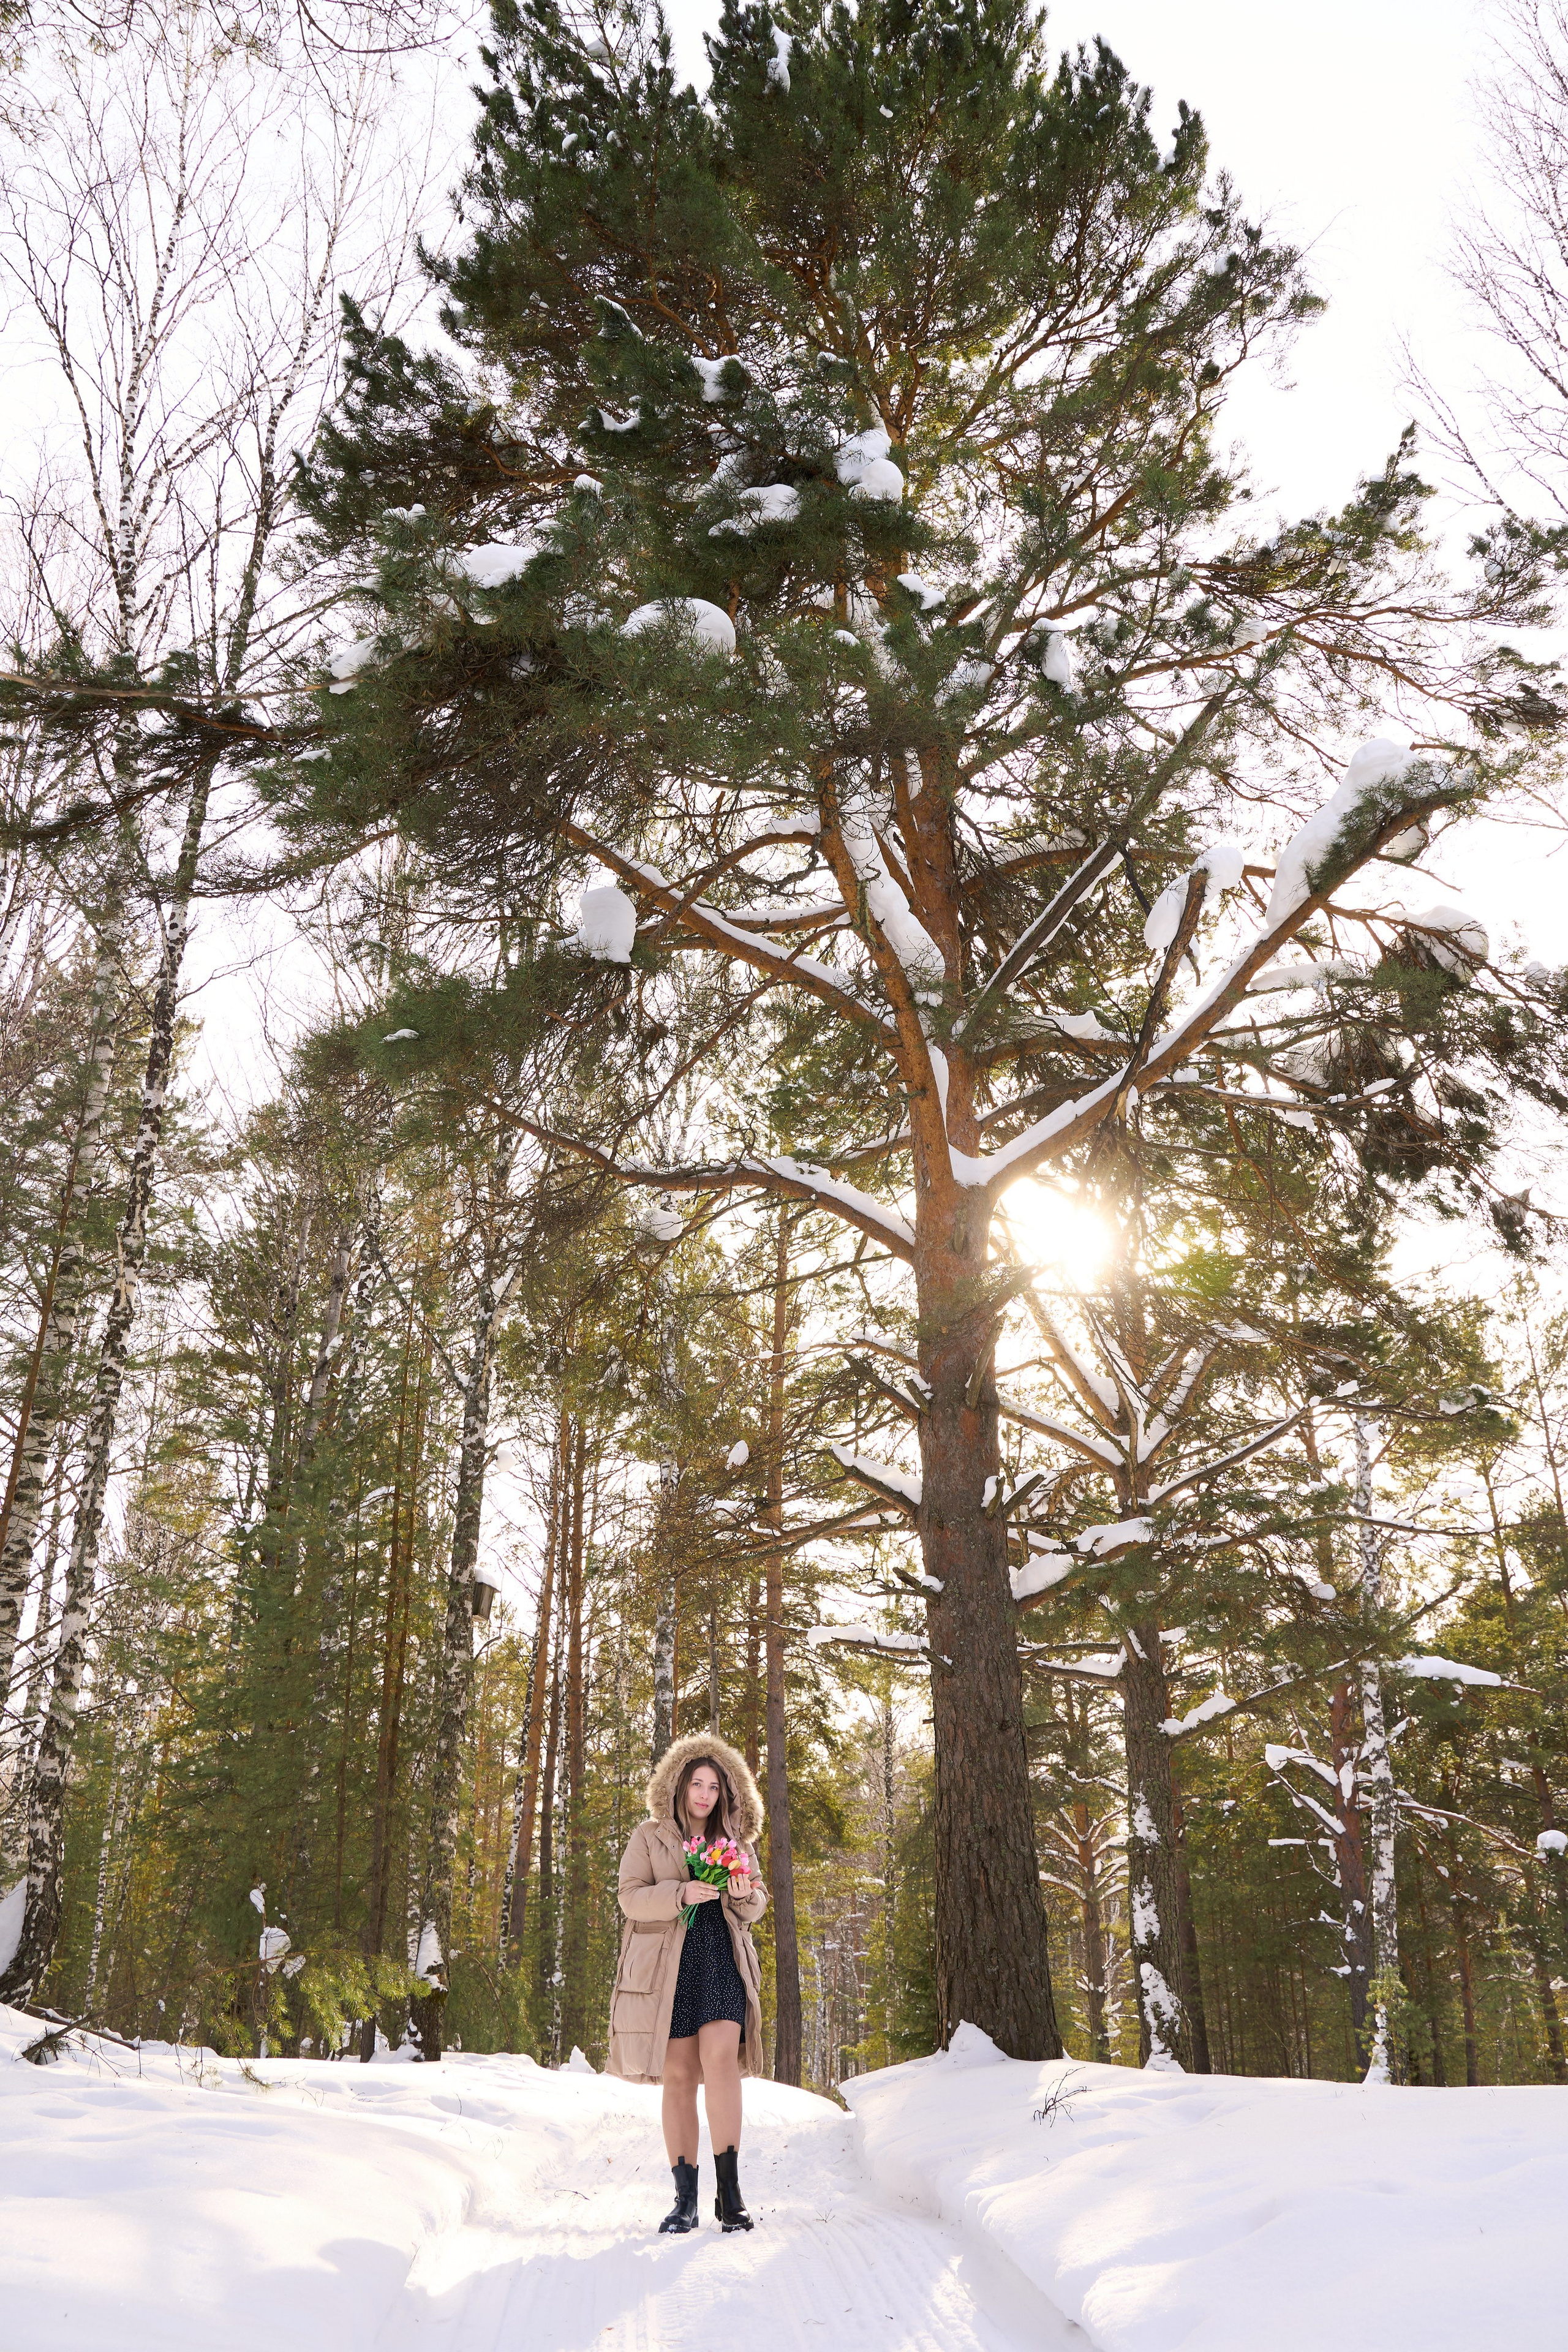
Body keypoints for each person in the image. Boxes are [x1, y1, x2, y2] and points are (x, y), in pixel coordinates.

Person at [606, 1730, 769, 2234]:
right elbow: (630, 1897)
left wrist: (742, 1894)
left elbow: (756, 1904)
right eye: (696, 1784)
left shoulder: (735, 1842)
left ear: (726, 1793)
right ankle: (685, 2200)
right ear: (678, 1785)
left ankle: (730, 2192)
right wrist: (680, 1892)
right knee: (678, 2076)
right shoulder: (648, 1836)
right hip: (668, 1968)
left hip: (720, 1956)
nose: (704, 1794)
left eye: (714, 1787)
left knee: (720, 2063)